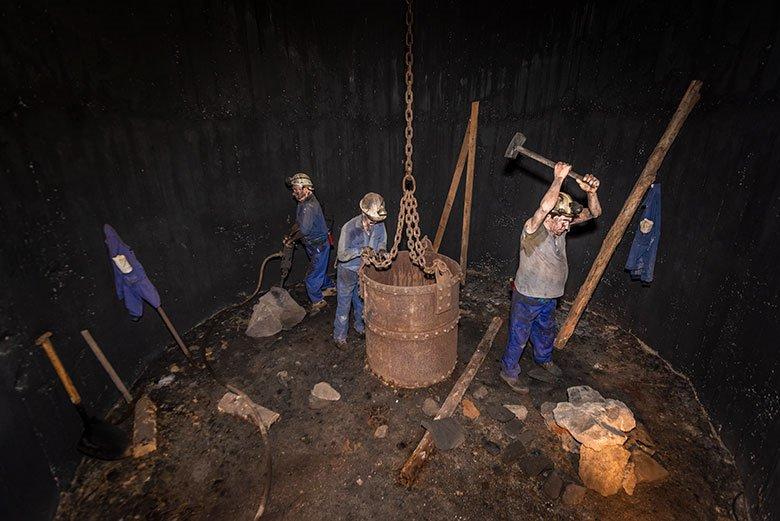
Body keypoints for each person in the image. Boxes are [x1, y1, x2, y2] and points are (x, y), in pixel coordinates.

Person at [500, 162, 601, 392]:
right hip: (527, 296)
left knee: (546, 330)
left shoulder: (561, 224)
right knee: (519, 334)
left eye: (568, 222)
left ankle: (543, 359)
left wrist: (591, 193)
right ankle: (509, 371)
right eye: (563, 222)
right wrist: (558, 178)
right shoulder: (533, 228)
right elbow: (544, 207)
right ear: (549, 218)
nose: (567, 227)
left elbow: (594, 213)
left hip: (550, 296)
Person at [333, 193, 388, 349]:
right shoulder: (349, 228)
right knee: (344, 304)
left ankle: (360, 327)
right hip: (348, 270)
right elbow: (342, 254)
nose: (374, 223)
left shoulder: (379, 223)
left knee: (361, 300)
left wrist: (382, 250)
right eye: (372, 220)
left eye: (377, 220)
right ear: (364, 212)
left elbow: (382, 240)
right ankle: (339, 337)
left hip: (365, 270)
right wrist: (361, 250)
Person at [285, 173, 336, 314]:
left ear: (306, 188)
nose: (294, 193)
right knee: (319, 269)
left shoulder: (309, 206)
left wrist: (291, 240)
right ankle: (329, 287)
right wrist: (290, 235)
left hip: (319, 245)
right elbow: (299, 223)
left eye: (296, 189)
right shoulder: (303, 203)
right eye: (293, 190)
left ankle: (318, 300)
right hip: (313, 244)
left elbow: (304, 230)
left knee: (312, 276)